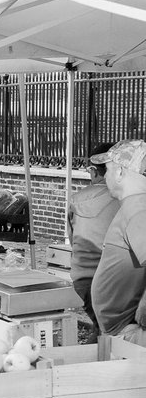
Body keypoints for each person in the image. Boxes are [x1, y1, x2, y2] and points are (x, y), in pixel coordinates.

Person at [90, 139, 146, 347]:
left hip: (131, 334)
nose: (104, 176)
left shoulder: (138, 209)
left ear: (121, 172)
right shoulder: (136, 206)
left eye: (107, 169)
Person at [67, 141, 118, 327]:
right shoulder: (128, 199)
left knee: (106, 329)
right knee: (113, 331)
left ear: (94, 171)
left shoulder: (77, 199)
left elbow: (74, 241)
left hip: (82, 280)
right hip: (114, 280)